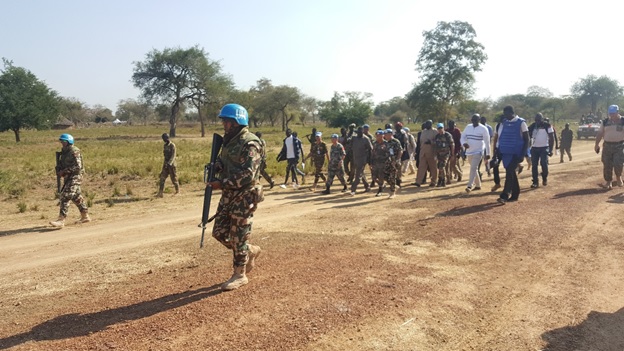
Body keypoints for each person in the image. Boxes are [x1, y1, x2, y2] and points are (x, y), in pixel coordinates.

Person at [208, 103, 263, 291]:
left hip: (245, 195)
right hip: (229, 194)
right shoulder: (229, 141)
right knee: (219, 232)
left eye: (227, 121)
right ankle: (250, 251)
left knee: (239, 235)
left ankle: (240, 274)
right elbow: (227, 165)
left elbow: (248, 174)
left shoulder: (250, 143)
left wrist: (222, 183)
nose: (224, 125)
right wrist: (217, 168)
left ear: (236, 121)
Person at [50, 134, 91, 228]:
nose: (62, 143)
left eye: (64, 141)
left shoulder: (74, 151)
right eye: (61, 141)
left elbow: (78, 166)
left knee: (66, 196)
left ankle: (61, 220)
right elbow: (62, 164)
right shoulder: (63, 152)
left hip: (76, 176)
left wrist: (64, 171)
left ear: (69, 142)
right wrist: (59, 169)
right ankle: (85, 216)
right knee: (76, 197)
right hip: (68, 177)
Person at [497, 105, 529, 204]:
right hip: (506, 153)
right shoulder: (504, 123)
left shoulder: (521, 123)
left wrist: (523, 154)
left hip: (516, 153)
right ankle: (515, 194)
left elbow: (527, 139)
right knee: (511, 173)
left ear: (511, 113)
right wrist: (498, 151)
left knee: (509, 172)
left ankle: (504, 195)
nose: (505, 115)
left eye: (506, 113)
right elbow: (501, 137)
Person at [595, 104, 624, 189]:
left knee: (618, 163)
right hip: (607, 145)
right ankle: (608, 181)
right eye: (610, 113)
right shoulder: (605, 122)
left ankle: (618, 177)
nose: (612, 115)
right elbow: (600, 133)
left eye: (613, 113)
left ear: (617, 112)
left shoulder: (623, 121)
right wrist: (596, 144)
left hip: (619, 145)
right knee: (607, 164)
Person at [460, 114, 491, 192]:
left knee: (473, 167)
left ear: (479, 120)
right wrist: (464, 143)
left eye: (475, 120)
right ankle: (478, 185)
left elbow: (487, 142)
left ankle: (469, 185)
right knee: (474, 168)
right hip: (469, 152)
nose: (473, 121)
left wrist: (488, 153)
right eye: (472, 120)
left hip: (478, 151)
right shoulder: (468, 127)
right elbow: (462, 137)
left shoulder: (483, 129)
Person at [527, 113, 554, 188]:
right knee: (534, 165)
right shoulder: (532, 126)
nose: (537, 121)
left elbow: (552, 138)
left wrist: (551, 150)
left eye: (538, 120)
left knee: (544, 164)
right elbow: (527, 135)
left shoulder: (547, 126)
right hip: (534, 148)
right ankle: (535, 182)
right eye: (536, 120)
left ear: (542, 119)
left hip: (544, 148)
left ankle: (544, 177)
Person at [350, 126, 373, 195]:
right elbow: (349, 143)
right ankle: (367, 187)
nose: (359, 134)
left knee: (357, 175)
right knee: (361, 173)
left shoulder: (366, 139)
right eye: (358, 132)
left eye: (360, 132)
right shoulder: (354, 138)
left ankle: (353, 189)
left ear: (363, 132)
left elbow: (370, 149)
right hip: (355, 159)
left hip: (363, 159)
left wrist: (369, 160)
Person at [414, 120, 437, 187]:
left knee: (433, 167)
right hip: (423, 152)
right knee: (421, 167)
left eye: (428, 124)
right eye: (426, 124)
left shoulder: (434, 131)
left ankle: (433, 181)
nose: (427, 125)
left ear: (431, 124)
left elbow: (438, 141)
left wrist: (431, 142)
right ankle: (418, 182)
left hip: (431, 152)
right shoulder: (423, 132)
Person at [156, 133, 179, 197]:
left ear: (167, 138)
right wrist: (165, 164)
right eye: (163, 138)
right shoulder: (165, 146)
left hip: (172, 165)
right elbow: (165, 156)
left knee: (174, 179)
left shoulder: (172, 145)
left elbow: (173, 155)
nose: (164, 140)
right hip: (165, 165)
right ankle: (160, 193)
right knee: (162, 178)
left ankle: (177, 191)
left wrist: (169, 163)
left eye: (164, 138)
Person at [433, 123, 454, 187]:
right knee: (439, 167)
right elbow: (435, 146)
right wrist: (435, 154)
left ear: (443, 128)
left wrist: (452, 154)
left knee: (442, 167)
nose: (440, 130)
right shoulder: (437, 136)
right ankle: (441, 180)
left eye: (441, 128)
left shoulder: (447, 135)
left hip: (446, 154)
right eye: (438, 128)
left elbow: (452, 144)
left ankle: (443, 180)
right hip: (439, 154)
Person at [384, 128, 403, 198]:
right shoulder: (386, 142)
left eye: (386, 134)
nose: (385, 136)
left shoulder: (395, 141)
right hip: (387, 162)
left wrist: (397, 160)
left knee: (392, 176)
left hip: (394, 162)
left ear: (390, 134)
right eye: (385, 134)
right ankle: (394, 185)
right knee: (384, 175)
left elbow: (400, 151)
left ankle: (392, 192)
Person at [371, 129, 389, 197]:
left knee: (381, 176)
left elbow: (388, 153)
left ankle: (380, 190)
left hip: (383, 163)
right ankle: (382, 185)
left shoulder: (386, 143)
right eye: (377, 136)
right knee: (374, 177)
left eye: (379, 136)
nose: (378, 137)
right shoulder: (374, 143)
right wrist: (371, 163)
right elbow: (372, 153)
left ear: (383, 136)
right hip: (375, 162)